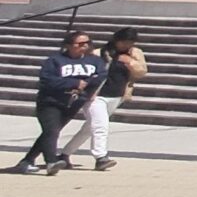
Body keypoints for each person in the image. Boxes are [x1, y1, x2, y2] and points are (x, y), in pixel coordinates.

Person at [11, 29, 109, 176]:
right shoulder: (55, 60)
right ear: (69, 45)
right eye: (80, 43)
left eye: (88, 42)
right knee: (51, 131)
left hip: (73, 103)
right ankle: (51, 162)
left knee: (50, 133)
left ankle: (26, 161)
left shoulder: (95, 61)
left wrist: (86, 85)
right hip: (50, 102)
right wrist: (74, 83)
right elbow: (47, 80)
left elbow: (100, 76)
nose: (85, 46)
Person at [57, 27, 145, 170]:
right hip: (96, 96)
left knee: (89, 128)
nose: (126, 45)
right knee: (101, 126)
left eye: (130, 42)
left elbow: (141, 72)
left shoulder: (135, 53)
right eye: (124, 42)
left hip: (117, 95)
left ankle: (64, 154)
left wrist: (130, 63)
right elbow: (88, 72)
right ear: (117, 40)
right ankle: (101, 157)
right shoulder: (99, 53)